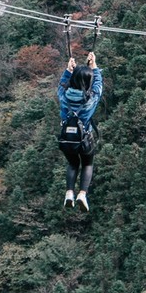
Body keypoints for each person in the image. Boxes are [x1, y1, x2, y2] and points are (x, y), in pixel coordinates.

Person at [57, 51, 103, 211]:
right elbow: (98, 85)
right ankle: (82, 194)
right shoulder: (91, 99)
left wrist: (68, 71)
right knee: (87, 164)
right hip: (84, 139)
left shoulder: (64, 96)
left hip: (66, 139)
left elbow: (61, 85)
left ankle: (69, 193)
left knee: (73, 163)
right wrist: (94, 66)